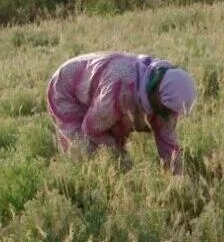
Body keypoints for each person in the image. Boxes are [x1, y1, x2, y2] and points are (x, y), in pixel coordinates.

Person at [47, 52, 197, 174]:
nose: (169, 117)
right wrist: (123, 160)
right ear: (158, 96)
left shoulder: (166, 98)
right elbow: (90, 129)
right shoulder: (121, 90)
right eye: (167, 112)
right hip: (66, 88)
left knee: (114, 142)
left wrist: (178, 179)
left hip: (102, 94)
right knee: (85, 150)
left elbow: (168, 143)